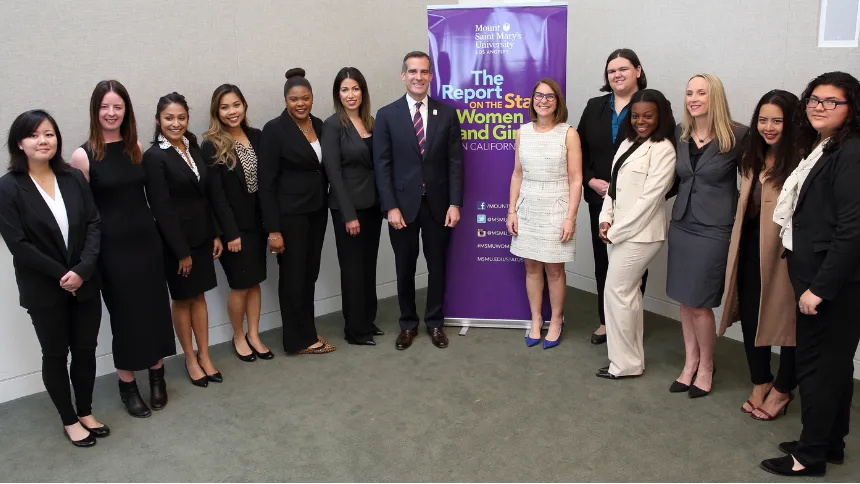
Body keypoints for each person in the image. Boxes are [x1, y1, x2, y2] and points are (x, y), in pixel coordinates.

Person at [761, 71, 860, 477]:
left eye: (831, 101)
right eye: (814, 99)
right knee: (833, 367)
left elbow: (853, 227)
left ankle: (810, 455)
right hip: (819, 276)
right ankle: (829, 442)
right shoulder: (828, 146)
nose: (819, 106)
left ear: (851, 108)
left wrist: (819, 288)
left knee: (819, 369)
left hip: (832, 284)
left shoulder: (851, 152)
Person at [0, 110, 107, 446]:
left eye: (48, 133)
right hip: (45, 288)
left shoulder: (73, 177)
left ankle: (86, 409)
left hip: (86, 280)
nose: (42, 141)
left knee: (86, 350)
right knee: (56, 354)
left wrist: (83, 269)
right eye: (33, 135)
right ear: (20, 143)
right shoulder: (8, 188)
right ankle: (69, 419)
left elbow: (93, 222)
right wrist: (65, 274)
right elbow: (18, 245)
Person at [69, 80, 176, 418]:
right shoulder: (82, 155)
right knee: (126, 317)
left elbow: (150, 199)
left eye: (118, 106)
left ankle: (157, 374)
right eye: (105, 107)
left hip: (147, 242)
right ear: (95, 111)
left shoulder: (136, 149)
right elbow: (82, 217)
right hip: (112, 251)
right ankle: (128, 384)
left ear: (126, 110)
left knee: (156, 309)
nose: (111, 113)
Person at [374, 51, 464, 350]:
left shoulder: (447, 114)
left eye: (424, 72)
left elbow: (455, 163)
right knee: (405, 268)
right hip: (402, 207)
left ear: (431, 76)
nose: (418, 77)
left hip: (439, 205)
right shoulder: (387, 115)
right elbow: (382, 165)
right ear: (403, 75)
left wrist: (455, 202)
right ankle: (408, 324)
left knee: (437, 266)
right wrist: (390, 206)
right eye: (412, 71)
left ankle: (435, 323)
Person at [719, 90, 800, 420]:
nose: (769, 127)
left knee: (789, 323)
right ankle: (760, 380)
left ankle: (783, 388)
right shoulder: (751, 154)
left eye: (777, 121)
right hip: (750, 247)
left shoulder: (800, 159)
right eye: (763, 119)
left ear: (791, 123)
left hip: (787, 254)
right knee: (752, 317)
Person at [666, 73, 747, 398]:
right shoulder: (680, 133)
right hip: (682, 224)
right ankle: (690, 363)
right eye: (689, 93)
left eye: (701, 92)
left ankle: (707, 366)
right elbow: (672, 179)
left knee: (701, 304)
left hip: (714, 229)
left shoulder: (739, 136)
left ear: (715, 96)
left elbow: (755, 182)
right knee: (686, 302)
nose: (694, 98)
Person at [143, 92, 224, 386]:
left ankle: (205, 355)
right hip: (176, 244)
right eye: (169, 118)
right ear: (158, 120)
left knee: (199, 296)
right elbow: (161, 210)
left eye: (181, 117)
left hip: (202, 237)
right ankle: (190, 358)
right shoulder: (154, 157)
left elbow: (206, 195)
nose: (175, 123)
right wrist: (181, 252)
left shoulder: (192, 146)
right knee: (182, 299)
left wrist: (215, 232)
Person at [594, 89, 676, 378]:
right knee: (626, 295)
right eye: (636, 115)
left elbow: (650, 199)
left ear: (660, 116)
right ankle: (629, 360)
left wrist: (616, 230)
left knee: (617, 292)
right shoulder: (629, 141)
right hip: (617, 231)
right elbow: (613, 186)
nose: (641, 120)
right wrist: (605, 219)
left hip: (642, 236)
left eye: (648, 115)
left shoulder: (664, 148)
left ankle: (625, 364)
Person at [258, 68, 334, 355]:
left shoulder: (319, 124)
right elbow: (266, 184)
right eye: (294, 99)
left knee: (309, 275)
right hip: (289, 217)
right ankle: (295, 340)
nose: (300, 103)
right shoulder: (274, 130)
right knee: (292, 277)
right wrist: (273, 230)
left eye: (305, 98)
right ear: (286, 100)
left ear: (312, 98)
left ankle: (307, 332)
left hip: (316, 211)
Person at [576, 48, 649, 346]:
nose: (617, 74)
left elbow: (660, 151)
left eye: (623, 68)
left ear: (638, 71)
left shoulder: (651, 104)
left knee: (632, 264)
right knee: (603, 261)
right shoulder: (595, 106)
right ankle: (606, 321)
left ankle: (629, 321)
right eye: (611, 71)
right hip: (599, 199)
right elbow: (578, 150)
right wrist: (590, 181)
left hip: (636, 204)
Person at [507, 78, 582, 349]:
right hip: (528, 207)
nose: (544, 100)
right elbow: (517, 174)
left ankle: (557, 320)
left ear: (557, 101)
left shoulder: (568, 133)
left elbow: (576, 179)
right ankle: (536, 319)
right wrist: (511, 210)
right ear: (532, 100)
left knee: (554, 268)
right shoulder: (523, 132)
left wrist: (570, 217)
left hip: (556, 207)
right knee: (531, 266)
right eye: (539, 96)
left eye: (550, 96)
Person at [202, 84, 273, 362]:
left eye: (236, 105)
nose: (232, 112)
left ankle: (254, 333)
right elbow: (215, 196)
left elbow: (265, 183)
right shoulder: (212, 143)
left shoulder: (256, 136)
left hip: (258, 223)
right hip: (234, 229)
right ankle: (238, 334)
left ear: (244, 106)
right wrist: (229, 233)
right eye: (225, 107)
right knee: (240, 284)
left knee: (255, 282)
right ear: (216, 112)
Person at [321, 67, 385, 346]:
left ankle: (367, 320)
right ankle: (355, 330)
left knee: (368, 266)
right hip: (348, 210)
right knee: (352, 269)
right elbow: (333, 172)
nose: (351, 95)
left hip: (372, 206)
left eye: (355, 88)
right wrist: (348, 215)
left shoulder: (370, 121)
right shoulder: (333, 124)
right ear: (338, 94)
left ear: (363, 91)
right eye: (345, 89)